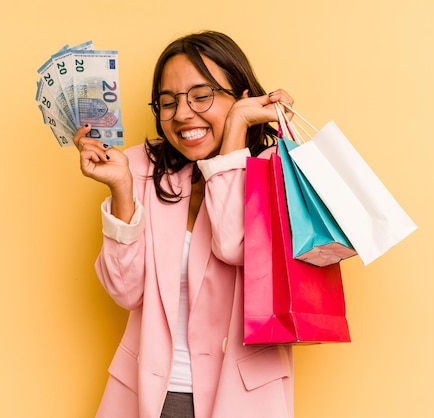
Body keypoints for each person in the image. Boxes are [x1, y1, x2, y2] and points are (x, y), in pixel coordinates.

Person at [73, 31, 296, 418]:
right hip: (147, 393)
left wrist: (238, 128)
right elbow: (126, 292)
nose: (182, 114)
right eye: (168, 102)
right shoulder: (140, 167)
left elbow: (233, 244)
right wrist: (123, 190)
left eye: (201, 96)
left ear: (241, 95)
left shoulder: (277, 170)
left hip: (241, 396)